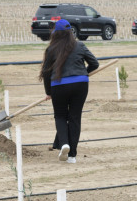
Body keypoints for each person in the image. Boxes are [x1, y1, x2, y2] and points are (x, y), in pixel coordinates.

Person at [38, 19, 99, 164]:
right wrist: (84, 73)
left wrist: (48, 92)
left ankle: (64, 143)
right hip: (81, 85)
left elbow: (46, 73)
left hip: (59, 86)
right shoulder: (80, 45)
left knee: (60, 116)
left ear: (55, 34)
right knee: (75, 117)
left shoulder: (51, 49)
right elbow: (95, 64)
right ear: (71, 32)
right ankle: (72, 155)